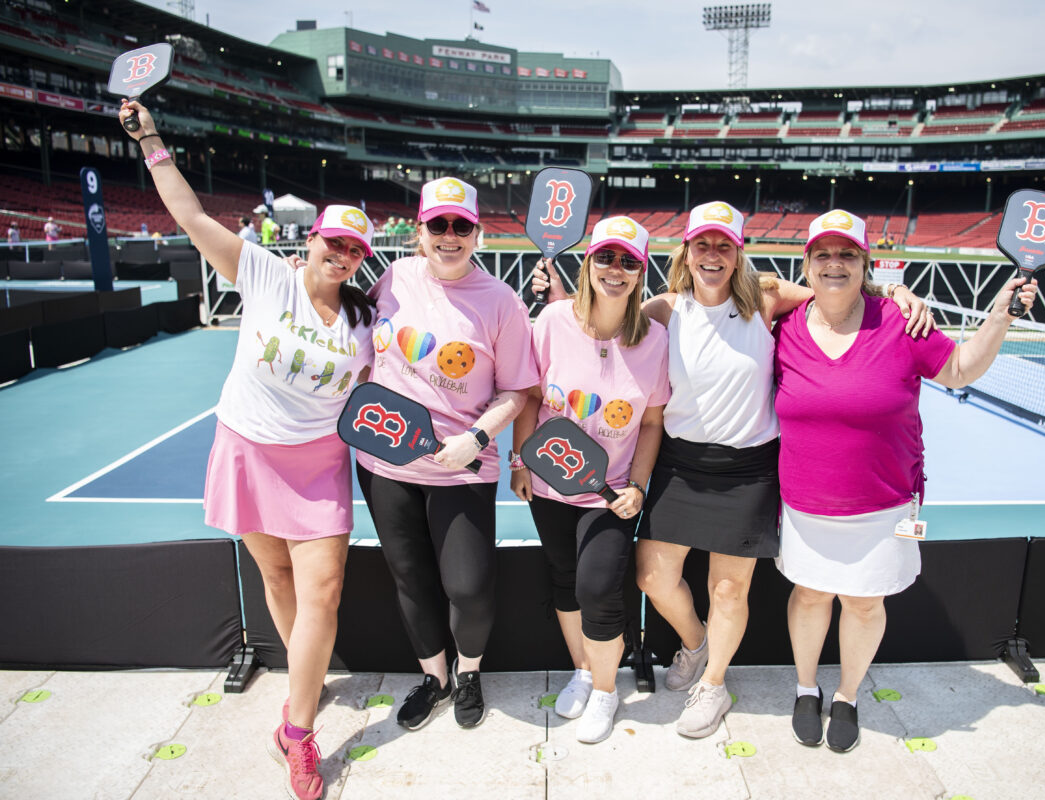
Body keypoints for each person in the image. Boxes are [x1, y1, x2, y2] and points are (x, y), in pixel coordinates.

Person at [533, 201, 932, 740]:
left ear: (738, 252)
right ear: (688, 252)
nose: (713, 254)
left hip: (748, 469)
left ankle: (714, 684)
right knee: (652, 576)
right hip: (680, 463)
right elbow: (599, 328)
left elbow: (834, 287)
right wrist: (557, 298)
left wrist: (893, 292)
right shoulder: (662, 310)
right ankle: (695, 645)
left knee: (728, 590)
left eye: (724, 245)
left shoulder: (766, 299)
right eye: (703, 245)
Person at [119, 99, 376, 800]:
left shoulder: (366, 319)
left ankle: (296, 733)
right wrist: (152, 143)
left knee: (322, 586)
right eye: (335, 242)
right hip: (248, 450)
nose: (343, 255)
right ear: (312, 242)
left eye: (355, 249)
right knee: (279, 580)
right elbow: (192, 218)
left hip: (319, 465)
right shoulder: (265, 274)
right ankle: (304, 684)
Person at [774, 209, 1036, 753]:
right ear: (807, 264)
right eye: (822, 254)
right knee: (811, 594)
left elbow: (960, 369)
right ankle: (805, 689)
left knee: (865, 602)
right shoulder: (784, 327)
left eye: (847, 254)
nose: (834, 264)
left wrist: (999, 317)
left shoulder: (901, 322)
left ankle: (845, 696)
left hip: (885, 504)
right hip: (805, 503)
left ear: (864, 263)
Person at [358, 176, 538, 732]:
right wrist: (299, 284)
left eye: (462, 226)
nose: (450, 236)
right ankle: (435, 679)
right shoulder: (393, 278)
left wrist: (478, 439)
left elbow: (518, 391)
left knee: (468, 585)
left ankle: (469, 672)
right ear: (420, 231)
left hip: (462, 467)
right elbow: (349, 324)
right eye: (438, 225)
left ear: (477, 232)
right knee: (409, 576)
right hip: (384, 462)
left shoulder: (500, 301)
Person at [511, 217, 670, 743]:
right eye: (606, 257)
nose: (616, 269)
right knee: (563, 577)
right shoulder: (554, 320)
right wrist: (520, 461)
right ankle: (583, 670)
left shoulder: (656, 340)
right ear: (588, 263)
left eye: (628, 261)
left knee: (599, 588)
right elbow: (530, 397)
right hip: (549, 482)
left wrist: (638, 487)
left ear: (641, 271)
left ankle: (605, 690)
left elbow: (650, 422)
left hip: (610, 494)